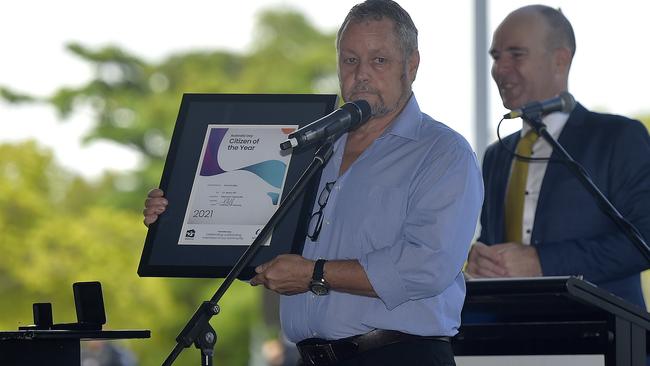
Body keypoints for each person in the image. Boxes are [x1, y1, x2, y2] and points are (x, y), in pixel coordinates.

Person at [144, 1, 483, 365]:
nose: (362, 74)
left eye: (379, 60)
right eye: (350, 60)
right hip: (307, 357)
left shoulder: (443, 152)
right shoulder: (306, 146)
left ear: (412, 65)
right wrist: (178, 215)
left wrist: (314, 274)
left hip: (400, 355)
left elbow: (427, 266)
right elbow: (257, 241)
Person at [465, 4, 650, 309]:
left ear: (560, 60)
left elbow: (643, 240)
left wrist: (542, 262)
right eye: (496, 57)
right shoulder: (497, 154)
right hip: (512, 337)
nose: (500, 69)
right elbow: (495, 240)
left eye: (516, 54)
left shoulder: (618, 137)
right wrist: (480, 259)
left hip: (604, 338)